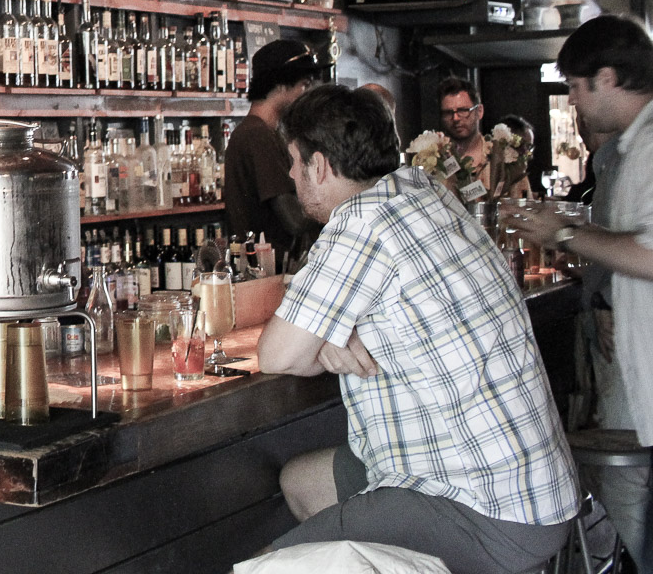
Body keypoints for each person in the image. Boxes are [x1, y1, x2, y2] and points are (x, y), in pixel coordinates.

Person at [259, 85, 578, 574]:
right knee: (302, 482)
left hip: (481, 507)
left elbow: (277, 356)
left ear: (319, 166)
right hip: (537, 489)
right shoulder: (423, 189)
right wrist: (335, 336)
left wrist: (324, 340)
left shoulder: (361, 221)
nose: (289, 174)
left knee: (270, 567)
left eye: (294, 162)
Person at [515, 15, 653, 573]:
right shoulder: (630, 145)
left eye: (575, 86)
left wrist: (565, 233)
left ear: (608, 77)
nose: (572, 101)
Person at [224, 39, 321, 271]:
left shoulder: (263, 132)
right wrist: (338, 204)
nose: (306, 94)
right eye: (304, 85)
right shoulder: (257, 136)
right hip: (268, 273)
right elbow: (294, 220)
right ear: (280, 84)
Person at [436, 76, 492, 191]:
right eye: (448, 112)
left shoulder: (500, 156)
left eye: (463, 110)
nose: (455, 118)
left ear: (479, 111)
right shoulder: (435, 158)